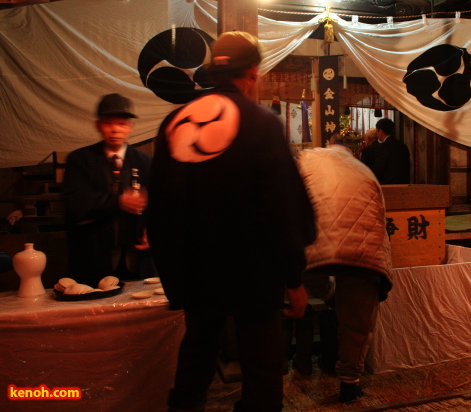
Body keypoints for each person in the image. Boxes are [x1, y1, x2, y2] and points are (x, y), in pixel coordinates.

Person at [148, 31, 316, 412]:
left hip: (196, 272)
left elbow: (159, 209)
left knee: (197, 356)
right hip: (254, 275)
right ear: (253, 73)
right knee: (261, 366)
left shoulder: (175, 122)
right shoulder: (260, 123)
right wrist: (294, 278)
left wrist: (175, 280)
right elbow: (282, 208)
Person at [297, 143, 392, 404]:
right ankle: (349, 385)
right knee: (358, 321)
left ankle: (329, 296)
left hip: (317, 245)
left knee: (313, 274)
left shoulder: (306, 157)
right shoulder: (364, 169)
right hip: (364, 250)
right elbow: (380, 215)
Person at [62, 93, 152, 283]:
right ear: (98, 126)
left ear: (130, 127)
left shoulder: (144, 162)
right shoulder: (80, 160)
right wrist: (119, 201)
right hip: (93, 257)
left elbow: (160, 204)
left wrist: (152, 230)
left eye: (121, 124)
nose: (115, 130)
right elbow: (75, 203)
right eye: (108, 123)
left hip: (135, 257)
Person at [372, 118, 410, 184]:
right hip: (404, 184)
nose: (377, 134)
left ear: (380, 131)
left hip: (388, 186)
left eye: (377, 131)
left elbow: (378, 170)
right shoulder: (403, 146)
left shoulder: (383, 147)